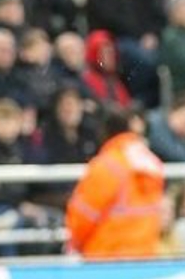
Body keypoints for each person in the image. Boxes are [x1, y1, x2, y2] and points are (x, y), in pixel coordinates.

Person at [65, 109, 164, 259]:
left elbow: (82, 217)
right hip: (145, 258)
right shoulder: (151, 162)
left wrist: (76, 245)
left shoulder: (106, 166)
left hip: (107, 259)